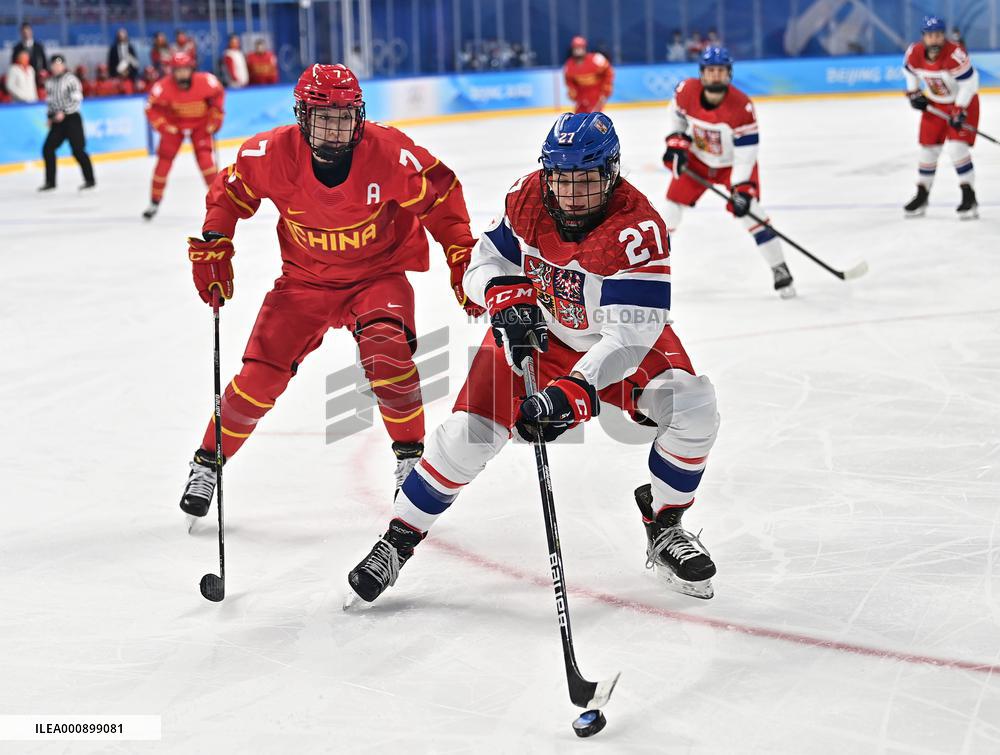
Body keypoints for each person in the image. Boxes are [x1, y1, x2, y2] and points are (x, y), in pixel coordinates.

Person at [346, 112, 720, 605]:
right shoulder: (526, 198)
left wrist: (574, 393)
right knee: (467, 435)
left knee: (693, 406)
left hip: (611, 344)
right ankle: (397, 539)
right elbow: (482, 263)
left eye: (587, 181)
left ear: (612, 173)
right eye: (562, 179)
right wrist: (500, 291)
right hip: (539, 335)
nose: (572, 195)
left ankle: (665, 522)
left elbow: (629, 340)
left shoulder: (637, 230)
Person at [177, 64, 483, 525]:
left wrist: (461, 255)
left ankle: (410, 460)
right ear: (302, 116)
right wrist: (215, 239)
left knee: (388, 355)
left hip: (377, 276)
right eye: (324, 117)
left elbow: (441, 198)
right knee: (259, 377)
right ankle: (207, 461)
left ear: (359, 115)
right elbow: (230, 193)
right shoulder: (270, 154)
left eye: (344, 117)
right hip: (305, 281)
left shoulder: (390, 153)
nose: (335, 128)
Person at [662, 47, 795, 298]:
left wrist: (741, 188)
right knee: (670, 213)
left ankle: (779, 267)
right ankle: (650, 270)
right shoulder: (686, 91)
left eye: (720, 71)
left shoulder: (741, 107)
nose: (715, 75)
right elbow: (676, 115)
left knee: (751, 214)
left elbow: (746, 154)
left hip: (732, 164)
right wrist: (676, 141)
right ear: (702, 73)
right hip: (698, 161)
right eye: (711, 70)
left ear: (729, 74)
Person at [902, 15, 979, 219]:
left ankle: (969, 194)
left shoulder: (955, 54)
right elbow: (909, 71)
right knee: (928, 150)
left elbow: (969, 83)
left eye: (937, 35)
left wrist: (959, 109)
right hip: (935, 104)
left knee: (956, 148)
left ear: (943, 36)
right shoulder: (914, 52)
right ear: (923, 36)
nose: (934, 39)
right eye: (930, 35)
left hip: (963, 103)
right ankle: (922, 193)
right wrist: (914, 92)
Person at [142, 51, 224, 220]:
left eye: (185, 69)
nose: (182, 73)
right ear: (172, 71)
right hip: (174, 126)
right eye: (178, 70)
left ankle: (220, 199)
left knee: (206, 161)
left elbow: (218, 95)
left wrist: (216, 118)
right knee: (164, 161)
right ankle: (154, 201)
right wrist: (163, 126)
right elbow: (150, 108)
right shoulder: (162, 87)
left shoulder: (206, 81)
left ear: (191, 69)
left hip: (201, 125)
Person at [39, 55, 95, 192]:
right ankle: (50, 182)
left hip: (72, 119)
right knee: (48, 149)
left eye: (59, 64)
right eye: (54, 65)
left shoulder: (71, 79)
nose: (57, 67)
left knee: (78, 150)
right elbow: (50, 101)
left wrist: (63, 112)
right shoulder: (50, 82)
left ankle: (90, 180)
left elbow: (77, 99)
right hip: (58, 122)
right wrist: (50, 117)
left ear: (64, 65)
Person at [563, 36, 613, 113]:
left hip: (596, 96)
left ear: (584, 48)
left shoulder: (596, 59)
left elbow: (608, 72)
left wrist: (607, 87)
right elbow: (569, 80)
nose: (578, 50)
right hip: (581, 98)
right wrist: (572, 90)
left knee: (594, 117)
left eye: (580, 47)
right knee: (579, 117)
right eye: (576, 48)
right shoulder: (569, 65)